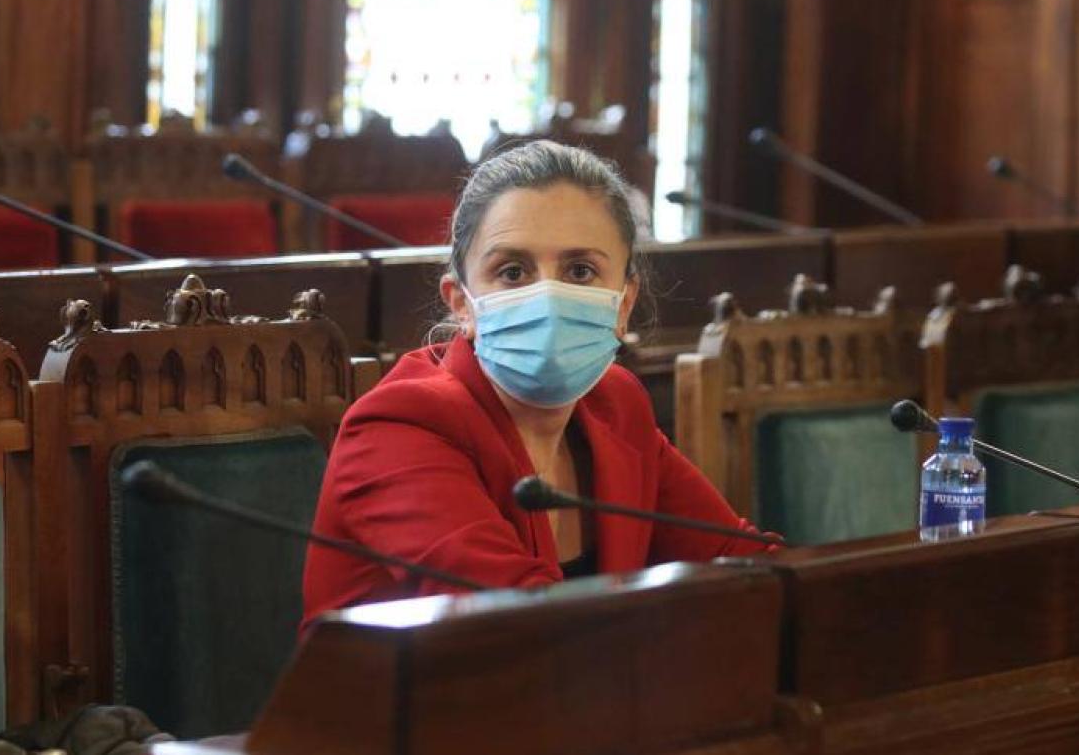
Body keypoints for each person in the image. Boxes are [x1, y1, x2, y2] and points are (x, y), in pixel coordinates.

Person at [302, 141, 775, 621]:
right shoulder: (398, 428)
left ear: (624, 303)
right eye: (512, 271)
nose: (547, 295)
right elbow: (520, 624)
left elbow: (745, 567)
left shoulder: (616, 404)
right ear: (462, 303)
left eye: (580, 270)